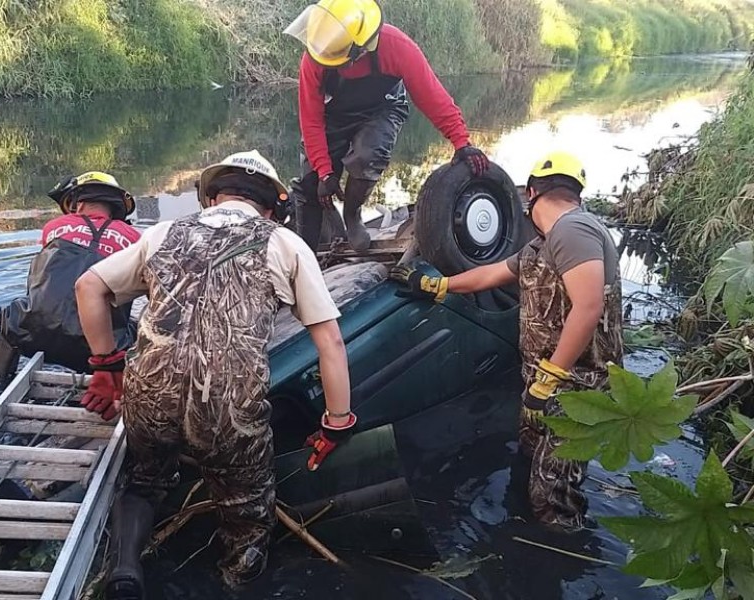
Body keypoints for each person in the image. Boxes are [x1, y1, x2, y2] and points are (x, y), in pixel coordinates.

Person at [74, 150, 355, 597]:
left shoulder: (164, 232)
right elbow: (331, 343)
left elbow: (89, 286)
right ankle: (234, 576)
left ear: (211, 197)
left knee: (145, 480)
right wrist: (336, 423)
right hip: (227, 408)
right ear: (270, 207)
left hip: (149, 395)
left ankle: (125, 567)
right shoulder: (284, 242)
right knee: (246, 509)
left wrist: (107, 367)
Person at [390, 152, 623, 529]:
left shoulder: (573, 230)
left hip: (575, 389)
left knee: (554, 498)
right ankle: (528, 539)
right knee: (531, 467)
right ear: (576, 192)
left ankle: (562, 560)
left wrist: (550, 378)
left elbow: (588, 307)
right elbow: (491, 275)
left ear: (530, 193)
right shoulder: (541, 245)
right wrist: (437, 285)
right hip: (545, 385)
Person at [283, 0, 490, 252]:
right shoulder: (316, 56)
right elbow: (311, 119)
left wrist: (461, 143)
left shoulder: (397, 47)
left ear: (360, 49)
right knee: (310, 183)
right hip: (332, 114)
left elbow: (432, 97)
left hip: (382, 108)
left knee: (368, 155)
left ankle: (353, 214)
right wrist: (325, 172)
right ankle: (306, 254)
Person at [0, 171, 140, 383]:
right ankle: (124, 390)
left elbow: (48, 284)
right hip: (102, 349)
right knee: (142, 330)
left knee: (8, 318)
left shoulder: (54, 227)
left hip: (36, 335)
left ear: (77, 203)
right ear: (116, 206)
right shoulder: (134, 237)